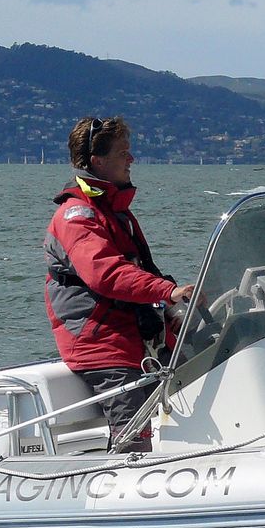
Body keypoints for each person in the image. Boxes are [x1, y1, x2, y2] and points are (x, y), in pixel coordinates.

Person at [43, 117, 194, 453]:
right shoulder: (77, 216)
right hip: (102, 345)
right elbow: (106, 273)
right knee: (134, 435)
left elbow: (141, 269)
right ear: (98, 161)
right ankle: (128, 469)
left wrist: (173, 308)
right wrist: (168, 292)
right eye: (123, 153)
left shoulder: (113, 212)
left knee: (203, 377)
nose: (131, 159)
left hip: (133, 336)